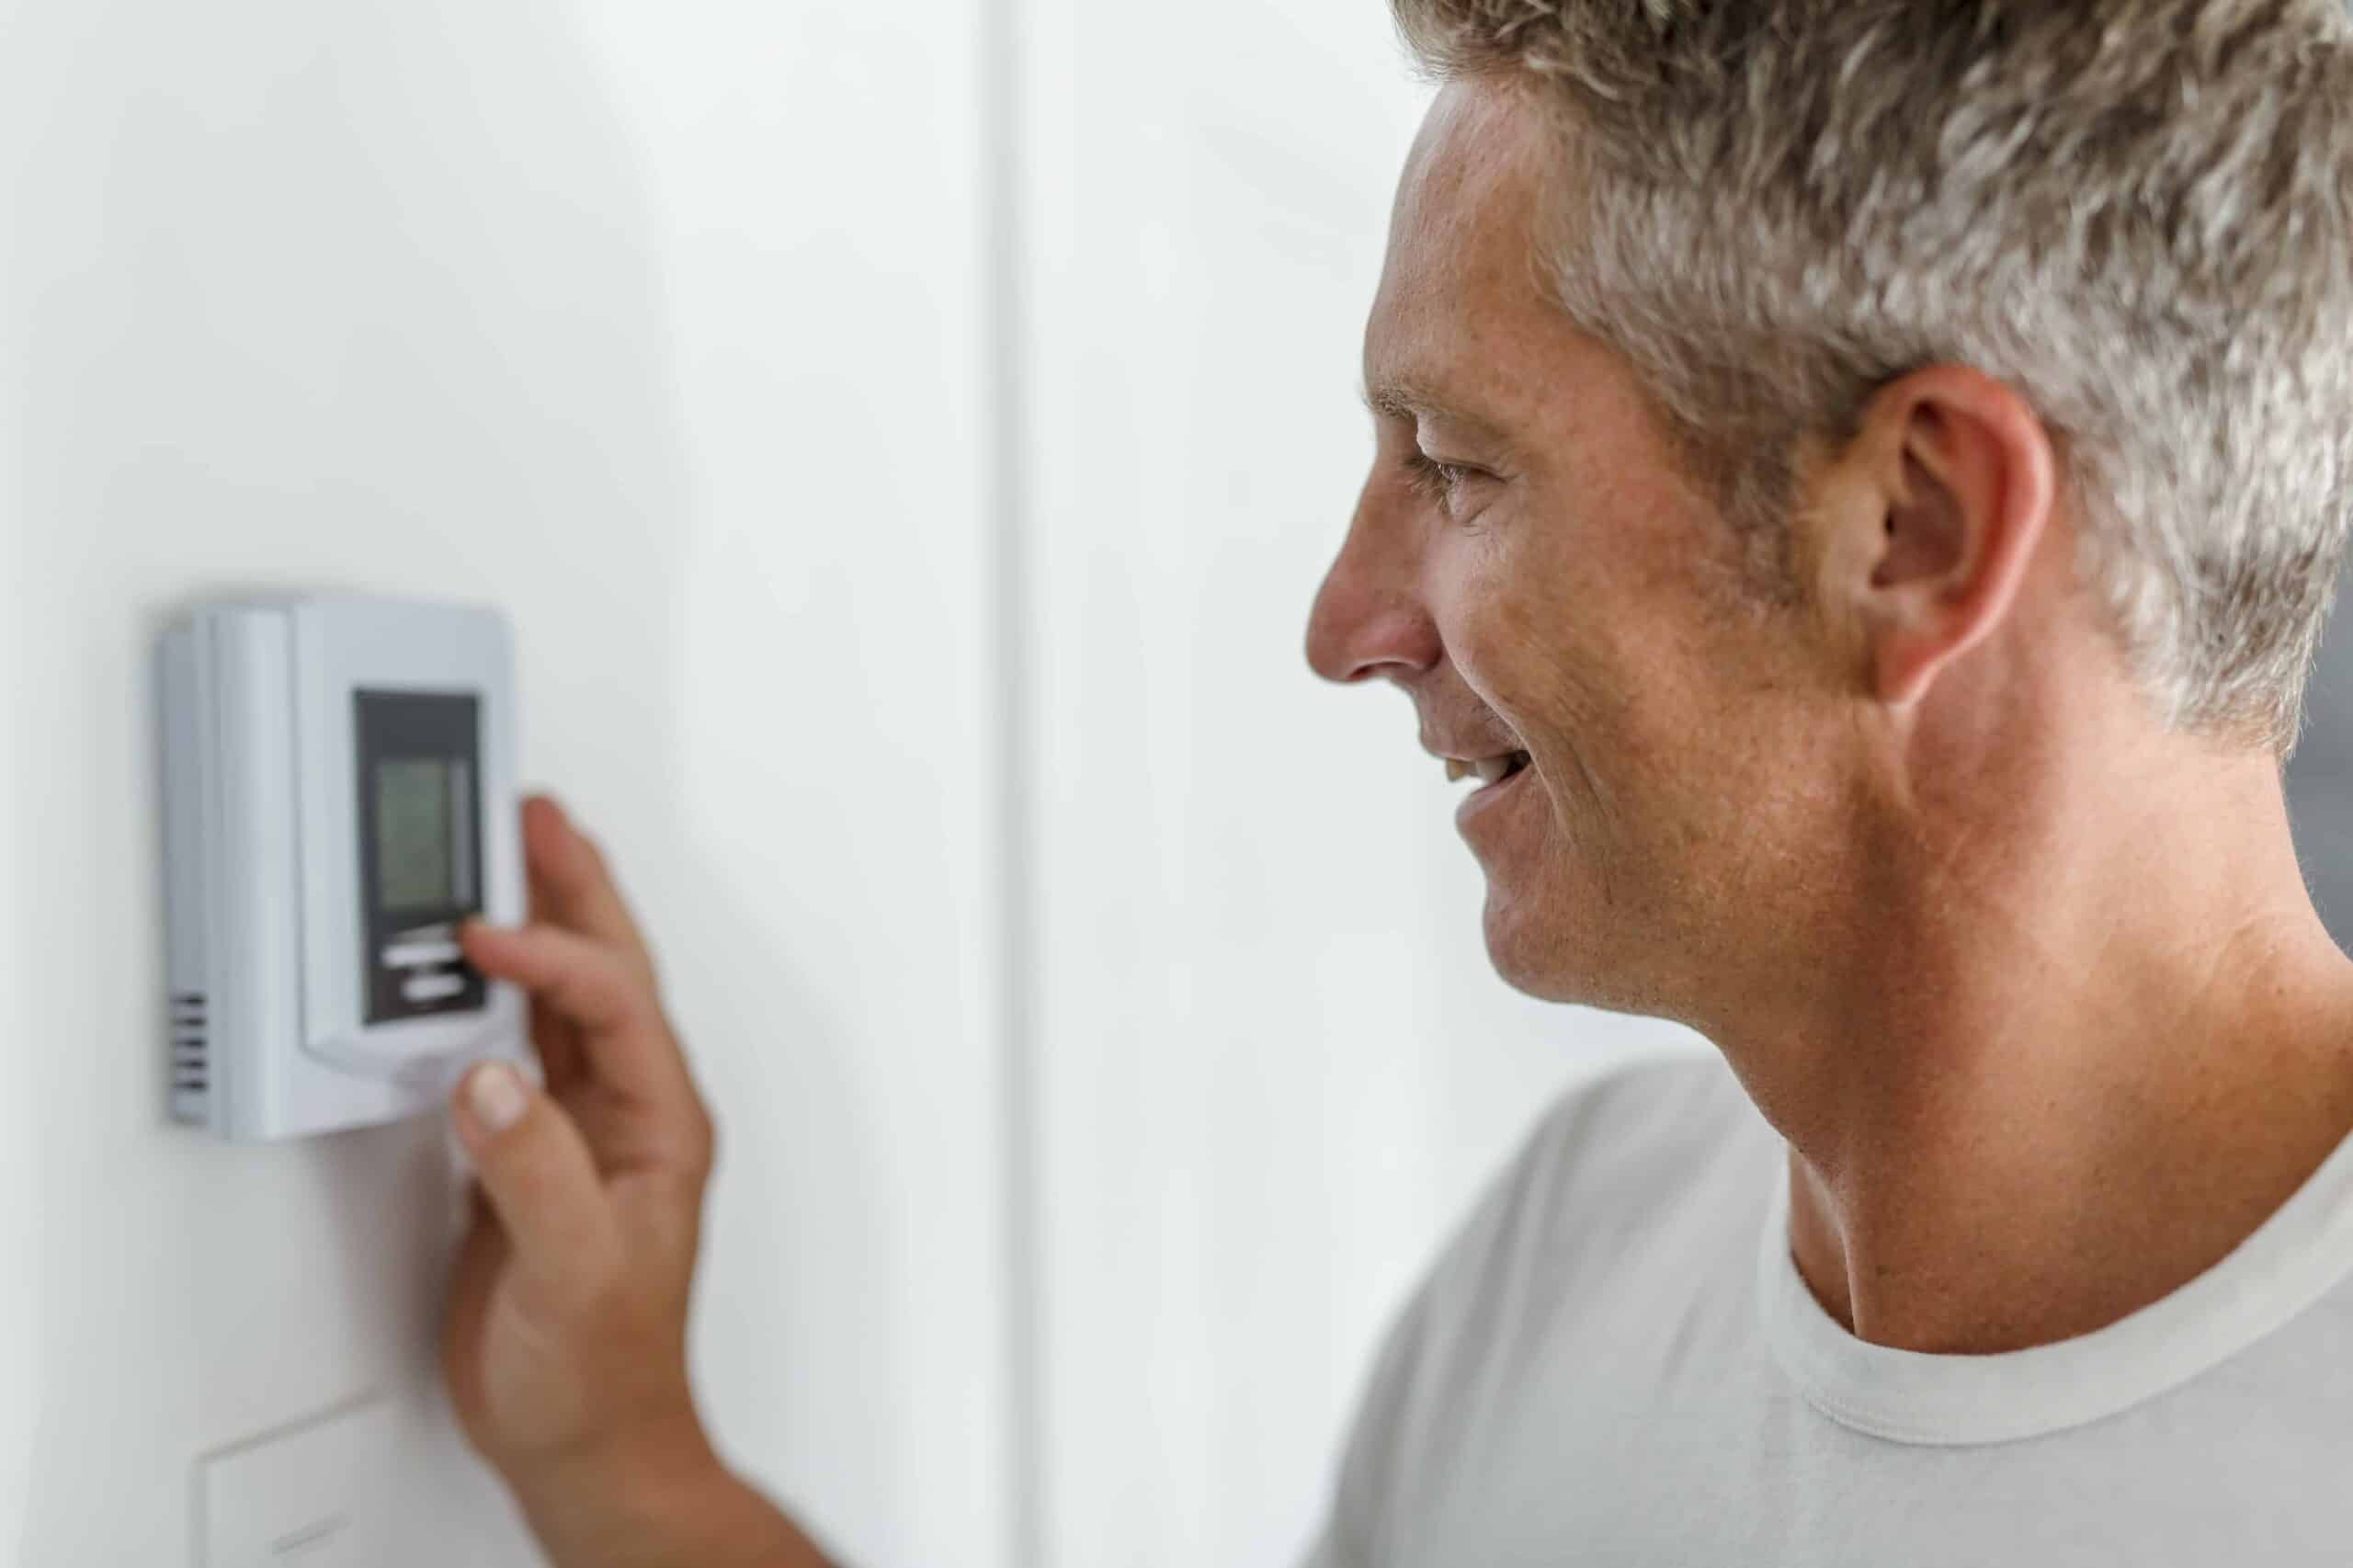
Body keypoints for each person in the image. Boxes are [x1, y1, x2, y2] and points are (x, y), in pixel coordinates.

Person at [439, 1, 2353, 1562]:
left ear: (1915, 527)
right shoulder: (1576, 1245)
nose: (1343, 624)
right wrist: (625, 1461)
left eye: (1452, 464)